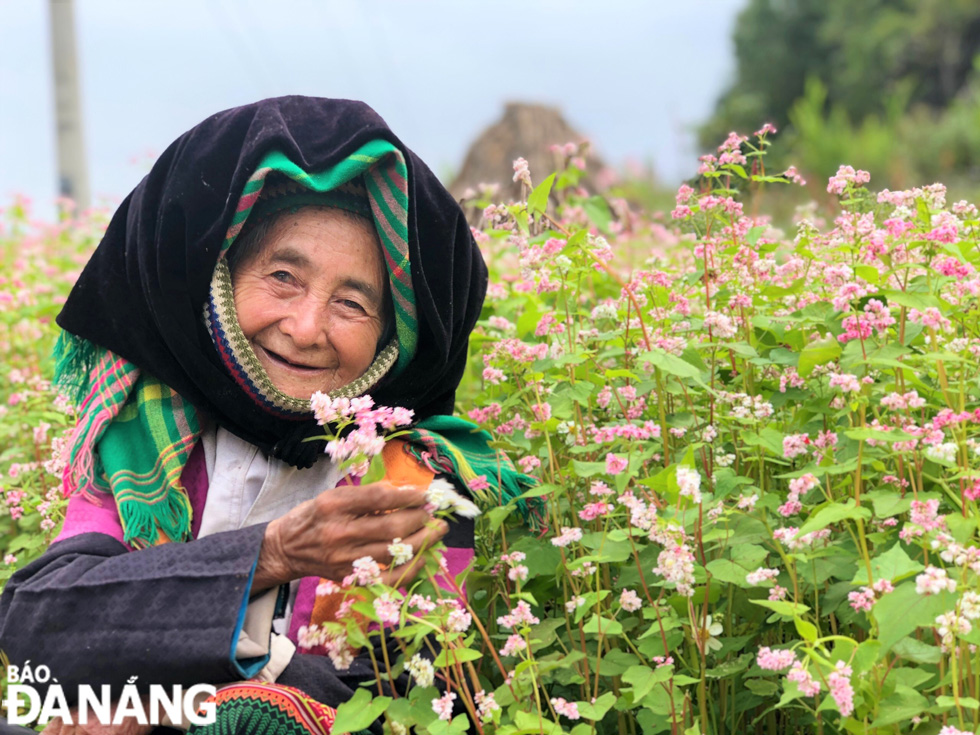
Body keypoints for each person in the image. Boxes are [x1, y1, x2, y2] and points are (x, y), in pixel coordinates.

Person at [0, 97, 532, 734]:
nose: (306, 328)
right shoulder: (146, 434)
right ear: (220, 278)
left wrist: (167, 696)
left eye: (353, 304)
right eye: (283, 276)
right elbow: (40, 626)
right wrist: (274, 553)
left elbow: (405, 695)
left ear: (396, 338)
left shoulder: (409, 478)